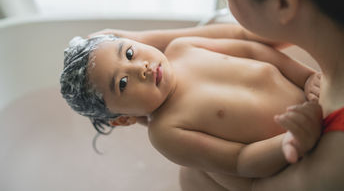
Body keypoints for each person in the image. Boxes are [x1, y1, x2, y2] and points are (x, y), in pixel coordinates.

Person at [172, 0, 343, 190]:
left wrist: (208, 157)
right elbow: (239, 38)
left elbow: (255, 188)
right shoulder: (324, 18)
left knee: (194, 173)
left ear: (282, 4)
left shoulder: (333, 164)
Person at [60, 24, 322, 185]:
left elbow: (253, 51)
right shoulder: (166, 132)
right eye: (123, 83)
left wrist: (306, 77)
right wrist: (290, 141)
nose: (142, 68)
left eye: (129, 53)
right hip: (295, 153)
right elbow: (239, 161)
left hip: (313, 95)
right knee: (191, 178)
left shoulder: (184, 47)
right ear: (124, 119)